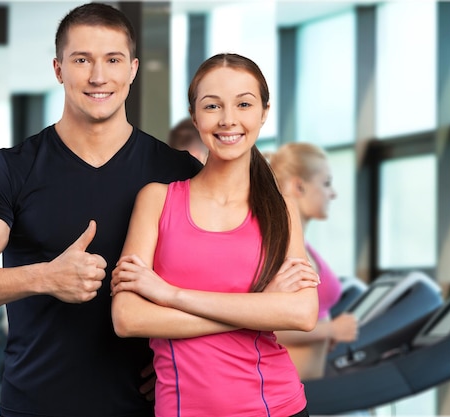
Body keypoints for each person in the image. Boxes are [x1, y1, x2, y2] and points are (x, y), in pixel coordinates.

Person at [0, 3, 202, 417]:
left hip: (146, 408)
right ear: (58, 69)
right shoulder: (12, 169)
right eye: (82, 60)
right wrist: (44, 276)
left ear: (132, 69)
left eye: (112, 60)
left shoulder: (177, 171)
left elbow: (218, 282)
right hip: (37, 406)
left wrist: (184, 357)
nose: (98, 76)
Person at [110, 53, 319, 417]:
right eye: (212, 106)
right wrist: (260, 308)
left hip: (277, 406)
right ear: (195, 116)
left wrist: (169, 294)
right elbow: (128, 317)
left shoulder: (280, 208)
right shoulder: (157, 200)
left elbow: (301, 313)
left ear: (263, 112)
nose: (228, 120)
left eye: (244, 104)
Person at [267, 142, 358, 381]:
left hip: (310, 388)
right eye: (326, 183)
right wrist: (331, 329)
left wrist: (323, 335)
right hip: (282, 393)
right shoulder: (279, 244)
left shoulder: (302, 244)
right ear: (299, 186)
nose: (333, 193)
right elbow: (268, 326)